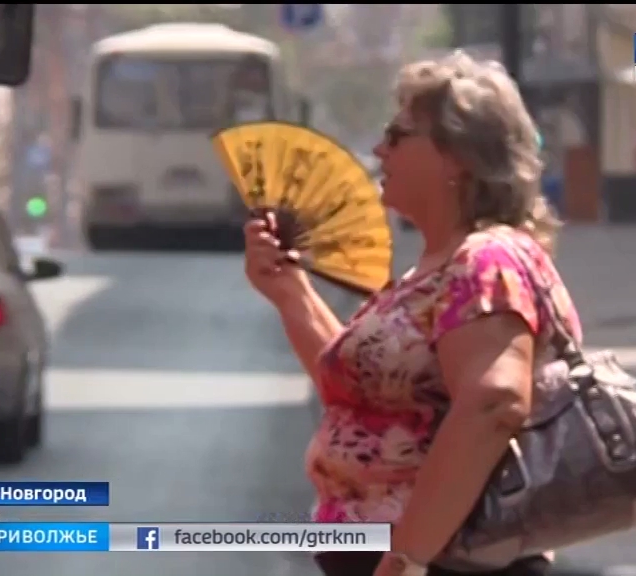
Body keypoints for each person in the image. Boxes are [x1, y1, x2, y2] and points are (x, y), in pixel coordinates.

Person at [243, 51, 580, 576]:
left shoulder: (486, 261)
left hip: (450, 562)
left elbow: (494, 403)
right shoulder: (440, 265)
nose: (380, 150)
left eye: (397, 134)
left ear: (457, 156)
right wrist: (291, 292)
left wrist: (408, 556)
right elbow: (360, 393)